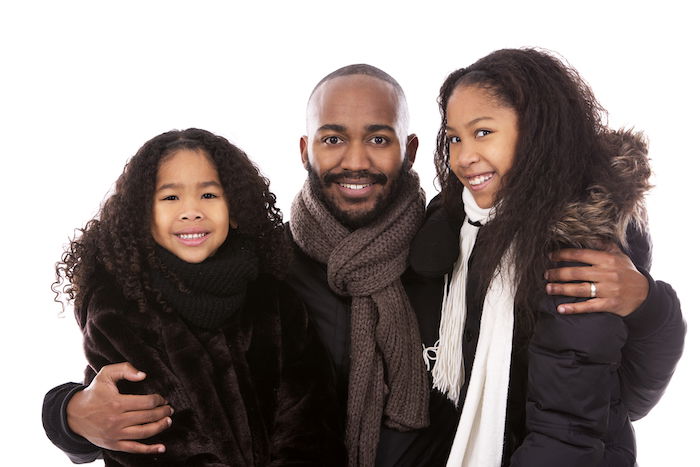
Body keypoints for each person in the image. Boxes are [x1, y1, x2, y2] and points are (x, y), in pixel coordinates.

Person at [43, 64, 674, 467]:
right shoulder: (265, 269)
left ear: (411, 149)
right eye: (332, 137)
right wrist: (69, 415)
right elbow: (156, 366)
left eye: (378, 137)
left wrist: (649, 306)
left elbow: (606, 399)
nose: (356, 159)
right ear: (304, 149)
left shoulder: (458, 249)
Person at [409, 48, 685, 466]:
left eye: (483, 132)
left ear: (536, 130)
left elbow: (567, 436)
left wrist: (650, 305)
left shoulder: (579, 246)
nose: (463, 157)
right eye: (454, 137)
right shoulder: (470, 219)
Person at [46, 128, 345, 466]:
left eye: (208, 195)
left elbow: (309, 423)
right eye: (170, 197)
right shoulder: (119, 310)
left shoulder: (275, 301)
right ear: (143, 214)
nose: (191, 211)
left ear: (234, 208)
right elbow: (157, 442)